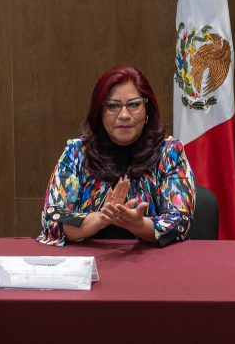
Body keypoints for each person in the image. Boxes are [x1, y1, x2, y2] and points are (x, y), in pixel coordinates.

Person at [38, 65, 195, 246]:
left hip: (153, 260)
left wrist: (139, 225)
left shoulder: (169, 153)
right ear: (99, 113)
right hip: (87, 259)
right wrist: (100, 218)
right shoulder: (77, 153)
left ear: (147, 110)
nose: (124, 115)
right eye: (113, 106)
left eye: (134, 104)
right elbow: (52, 219)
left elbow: (180, 222)